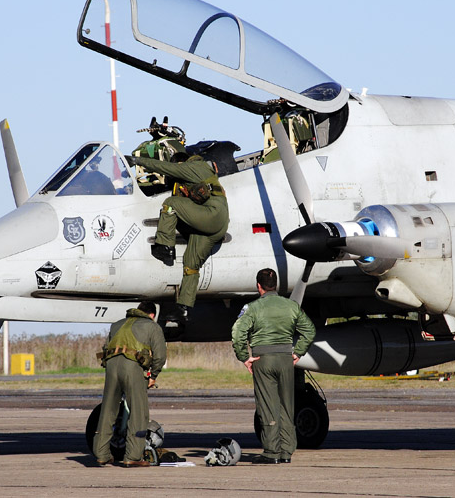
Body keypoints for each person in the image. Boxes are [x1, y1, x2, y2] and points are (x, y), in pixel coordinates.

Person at [125, 152, 229, 325]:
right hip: (217, 224)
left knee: (171, 203)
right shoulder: (204, 171)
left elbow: (166, 168)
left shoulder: (194, 168)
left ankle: (164, 246)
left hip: (211, 215)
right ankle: (183, 307)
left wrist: (137, 161)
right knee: (191, 265)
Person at [231, 268, 316, 464]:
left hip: (263, 359)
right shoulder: (291, 306)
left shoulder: (252, 308)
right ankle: (286, 452)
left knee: (268, 406)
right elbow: (309, 331)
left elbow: (237, 333)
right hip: (286, 359)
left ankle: (271, 452)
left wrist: (244, 357)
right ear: (275, 285)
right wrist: (297, 352)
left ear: (258, 286)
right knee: (287, 405)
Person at [94, 301, 167, 467]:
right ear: (152, 315)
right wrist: (153, 375)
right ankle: (132, 456)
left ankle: (101, 454)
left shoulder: (117, 324)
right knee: (139, 413)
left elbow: (106, 348)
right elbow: (160, 355)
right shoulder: (151, 326)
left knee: (107, 410)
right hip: (132, 368)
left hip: (111, 367)